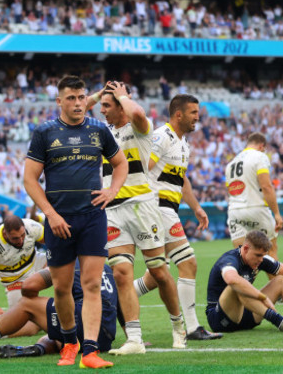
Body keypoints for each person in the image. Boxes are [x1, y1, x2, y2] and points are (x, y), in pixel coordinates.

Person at [23, 75, 128, 369]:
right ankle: (70, 342)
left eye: (81, 97)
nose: (78, 103)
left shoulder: (98, 130)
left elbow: (121, 164)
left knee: (92, 284)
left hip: (92, 217)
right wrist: (51, 214)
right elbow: (30, 180)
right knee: (61, 288)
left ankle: (90, 352)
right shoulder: (45, 133)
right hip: (59, 221)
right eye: (71, 98)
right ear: (60, 101)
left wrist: (112, 190)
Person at [87, 81, 185, 353]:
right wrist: (98, 95)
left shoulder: (139, 128)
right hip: (113, 208)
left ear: (121, 105)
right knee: (121, 273)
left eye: (107, 106)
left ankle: (178, 325)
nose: (102, 110)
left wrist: (122, 96)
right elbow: (78, 111)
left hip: (142, 206)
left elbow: (139, 114)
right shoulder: (102, 132)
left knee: (159, 272)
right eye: (102, 105)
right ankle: (134, 339)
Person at [143, 94, 219, 340]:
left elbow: (181, 179)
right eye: (193, 112)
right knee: (188, 263)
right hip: (158, 207)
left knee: (156, 276)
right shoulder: (161, 136)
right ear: (179, 114)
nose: (198, 117)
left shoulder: (183, 143)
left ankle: (116, 302)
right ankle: (194, 327)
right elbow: (143, 167)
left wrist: (196, 207)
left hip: (168, 208)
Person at [0, 260, 117, 363]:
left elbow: (29, 286)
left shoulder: (69, 261)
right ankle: (38, 348)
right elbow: (121, 305)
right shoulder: (106, 267)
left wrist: (40, 305)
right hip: (104, 338)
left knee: (27, 304)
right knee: (58, 334)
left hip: (84, 326)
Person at [205, 231, 283, 333]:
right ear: (246, 248)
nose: (261, 260)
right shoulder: (230, 259)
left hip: (247, 316)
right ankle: (280, 322)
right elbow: (232, 279)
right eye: (258, 255)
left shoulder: (261, 259)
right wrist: (262, 297)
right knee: (239, 285)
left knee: (280, 281)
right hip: (220, 319)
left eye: (263, 255)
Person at [0, 215, 46, 336]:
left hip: (37, 263)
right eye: (15, 238)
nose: (21, 240)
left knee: (66, 264)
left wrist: (52, 262)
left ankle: (76, 303)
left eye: (22, 235)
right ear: (5, 234)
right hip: (15, 280)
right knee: (26, 326)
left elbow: (53, 241)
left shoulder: (31, 226)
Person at [225, 132, 283, 258]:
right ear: (262, 146)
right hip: (256, 208)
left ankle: (241, 278)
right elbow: (266, 187)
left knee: (242, 256)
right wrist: (277, 214)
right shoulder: (259, 157)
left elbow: (231, 190)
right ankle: (276, 279)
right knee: (270, 251)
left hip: (235, 211)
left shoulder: (231, 163)